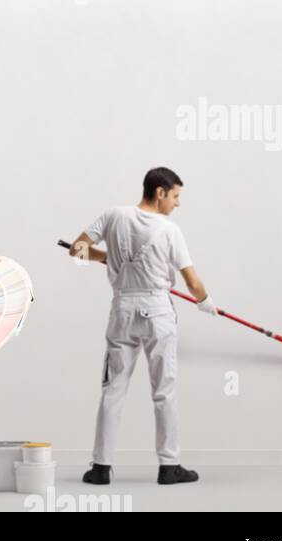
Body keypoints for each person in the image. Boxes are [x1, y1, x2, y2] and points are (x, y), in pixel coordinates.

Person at [67, 167, 213, 486]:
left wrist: (106, 257)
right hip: (158, 312)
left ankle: (101, 468)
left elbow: (76, 249)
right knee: (164, 391)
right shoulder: (170, 230)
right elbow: (192, 282)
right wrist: (205, 300)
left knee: (113, 389)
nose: (177, 204)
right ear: (159, 192)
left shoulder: (113, 215)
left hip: (122, 309)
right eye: (175, 196)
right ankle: (169, 467)